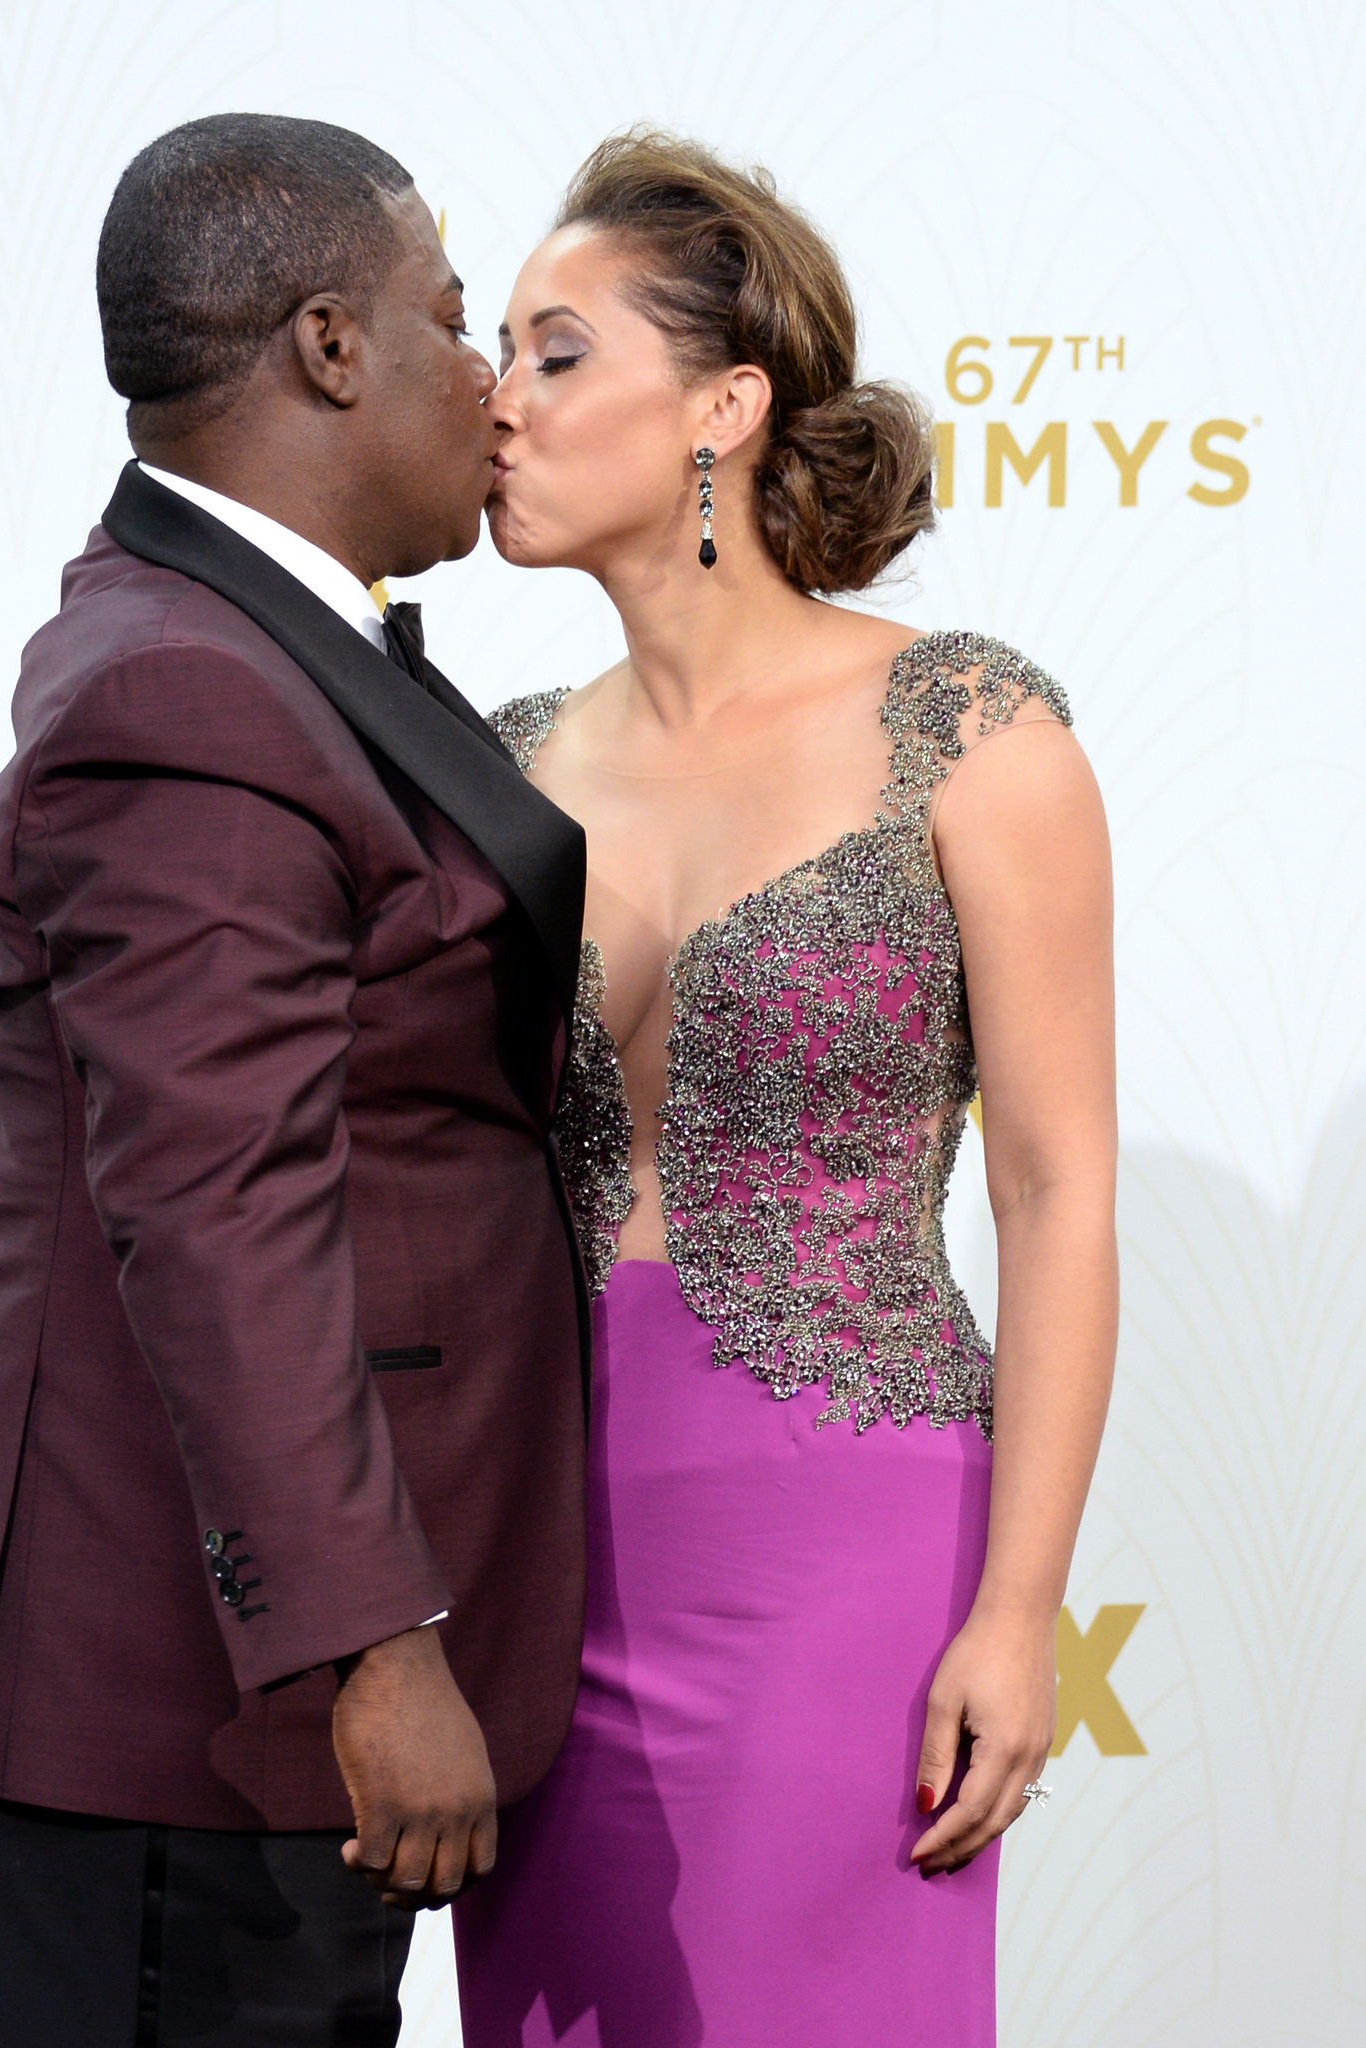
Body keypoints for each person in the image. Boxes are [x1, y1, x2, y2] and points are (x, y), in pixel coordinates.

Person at [0, 114, 590, 2048]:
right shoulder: (187, 692)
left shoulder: (259, 649)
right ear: (329, 347)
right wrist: (376, 1648)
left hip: (243, 1715)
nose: (489, 379)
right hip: (184, 1724)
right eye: (456, 318)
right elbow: (221, 1213)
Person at [453, 131, 1118, 2048]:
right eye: (497, 347)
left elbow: (1061, 1196)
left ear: (722, 408)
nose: (499, 400)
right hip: (539, 1545)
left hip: (846, 1542)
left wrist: (1020, 1611)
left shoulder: (968, 728)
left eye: (557, 351)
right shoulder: (497, 771)